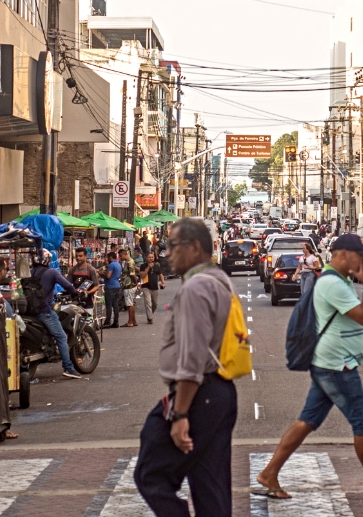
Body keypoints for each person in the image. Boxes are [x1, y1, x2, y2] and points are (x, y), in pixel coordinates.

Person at [254, 234, 363, 504]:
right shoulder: (332, 283)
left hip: (328, 363)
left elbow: (355, 321)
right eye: (358, 255)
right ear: (342, 255)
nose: (362, 261)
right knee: (362, 422)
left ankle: (270, 473)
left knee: (307, 421)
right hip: (338, 365)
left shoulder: (335, 281)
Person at [134, 218, 237, 516]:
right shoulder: (218, 278)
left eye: (173, 246)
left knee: (150, 472)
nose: (167, 254)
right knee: (210, 486)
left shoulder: (196, 288)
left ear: (194, 248)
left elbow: (193, 358)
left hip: (198, 393)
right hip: (217, 393)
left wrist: (179, 413)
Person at [30, 250, 83, 379]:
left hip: (29, 310)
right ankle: (68, 368)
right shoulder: (51, 272)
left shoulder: (29, 272)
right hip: (44, 311)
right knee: (61, 337)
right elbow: (67, 285)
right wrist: (75, 292)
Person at [141, 252, 166, 324]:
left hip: (155, 287)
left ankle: (150, 314)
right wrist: (148, 267)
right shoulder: (143, 266)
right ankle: (150, 318)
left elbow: (160, 275)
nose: (151, 258)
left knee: (155, 304)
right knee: (148, 303)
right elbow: (142, 276)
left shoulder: (157, 266)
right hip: (146, 287)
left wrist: (163, 282)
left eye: (152, 257)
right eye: (149, 257)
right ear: (146, 258)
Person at [103, 251, 124, 329]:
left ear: (110, 258)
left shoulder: (111, 265)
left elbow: (108, 276)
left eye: (108, 258)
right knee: (115, 305)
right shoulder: (118, 264)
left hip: (110, 286)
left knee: (109, 305)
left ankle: (107, 322)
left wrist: (102, 273)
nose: (107, 259)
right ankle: (116, 321)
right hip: (116, 286)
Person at [120, 248, 139, 327]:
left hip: (129, 285)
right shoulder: (127, 262)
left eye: (121, 256)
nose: (120, 257)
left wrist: (136, 283)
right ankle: (133, 320)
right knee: (130, 303)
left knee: (129, 304)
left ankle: (130, 321)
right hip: (129, 285)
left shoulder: (129, 262)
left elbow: (132, 274)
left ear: (125, 254)